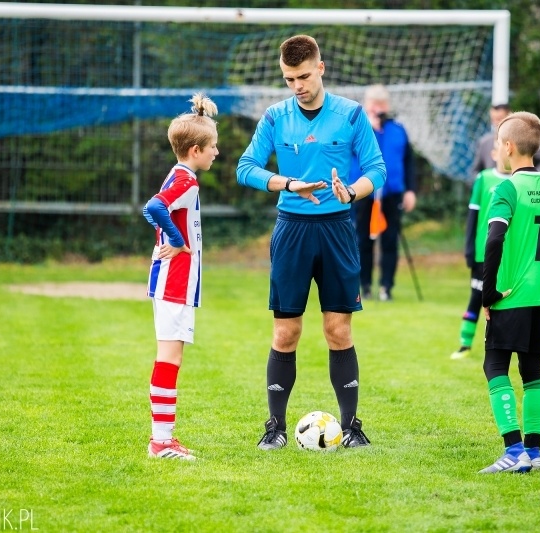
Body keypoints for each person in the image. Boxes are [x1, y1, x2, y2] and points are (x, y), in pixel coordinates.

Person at [237, 35, 386, 450]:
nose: (297, 85)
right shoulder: (274, 117)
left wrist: (352, 191)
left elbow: (377, 170)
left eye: (303, 76)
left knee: (338, 329)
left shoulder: (351, 114)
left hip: (338, 229)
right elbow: (244, 167)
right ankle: (276, 429)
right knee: (286, 332)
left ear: (320, 68)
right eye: (289, 79)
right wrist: (287, 183)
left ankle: (352, 427)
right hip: (292, 230)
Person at [478, 111, 540, 473]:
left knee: (495, 364)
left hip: (510, 294)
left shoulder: (506, 189)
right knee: (532, 369)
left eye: (499, 143)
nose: (497, 149)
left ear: (508, 147)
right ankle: (535, 452)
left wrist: (489, 292)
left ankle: (514, 452)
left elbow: (494, 239)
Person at [142, 93, 219, 460]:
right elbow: (153, 206)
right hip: (174, 281)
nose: (216, 153)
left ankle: (163, 439)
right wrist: (176, 239)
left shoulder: (181, 175)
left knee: (171, 357)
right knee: (169, 358)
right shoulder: (187, 181)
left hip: (173, 281)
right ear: (194, 149)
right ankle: (161, 442)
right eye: (212, 147)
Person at [351, 84, 417, 302]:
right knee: (363, 240)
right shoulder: (357, 128)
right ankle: (365, 285)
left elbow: (408, 162)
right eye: (374, 103)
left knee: (390, 240)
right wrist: (368, 128)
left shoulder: (398, 130)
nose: (378, 108)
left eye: (381, 103)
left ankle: (386, 287)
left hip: (392, 193)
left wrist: (410, 190)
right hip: (363, 192)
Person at [450, 148, 510, 360]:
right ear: (493, 153)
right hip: (482, 252)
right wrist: (469, 249)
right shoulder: (483, 179)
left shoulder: (517, 182)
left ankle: (499, 347)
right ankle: (465, 343)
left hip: (508, 254)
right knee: (477, 296)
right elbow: (472, 217)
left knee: (504, 299)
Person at [471, 104, 540, 178]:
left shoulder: (522, 138)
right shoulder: (484, 142)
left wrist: (531, 177)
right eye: (493, 119)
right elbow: (475, 171)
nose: (496, 123)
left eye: (499, 119)